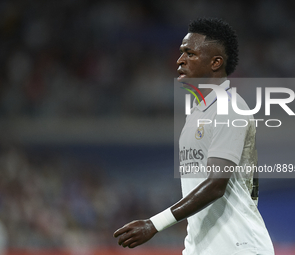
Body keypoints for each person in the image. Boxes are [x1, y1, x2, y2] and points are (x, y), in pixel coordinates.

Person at [114, 18, 274, 255]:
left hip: (239, 247)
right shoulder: (197, 114)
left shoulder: (229, 108)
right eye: (181, 53)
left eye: (190, 53)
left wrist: (154, 224)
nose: (179, 60)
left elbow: (216, 185)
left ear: (216, 62)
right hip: (202, 247)